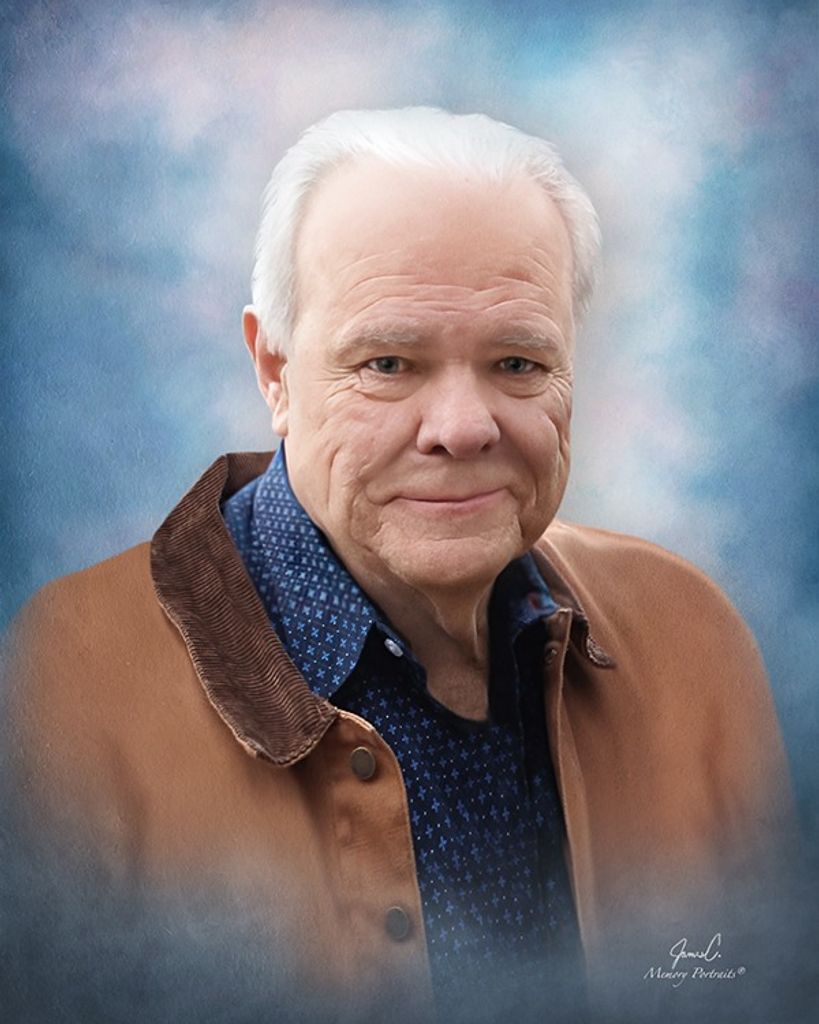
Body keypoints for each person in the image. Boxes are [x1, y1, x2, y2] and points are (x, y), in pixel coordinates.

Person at [1, 107, 798, 1024]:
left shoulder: (688, 635)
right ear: (274, 371)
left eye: (517, 362)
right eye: (387, 363)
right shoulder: (62, 686)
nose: (462, 427)